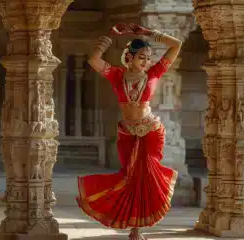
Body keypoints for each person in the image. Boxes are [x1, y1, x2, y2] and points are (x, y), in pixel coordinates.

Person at [76, 23, 182, 240]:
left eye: (149, 57)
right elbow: (94, 60)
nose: (147, 61)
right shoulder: (116, 75)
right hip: (127, 132)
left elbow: (177, 45)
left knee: (144, 177)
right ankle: (132, 224)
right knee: (128, 177)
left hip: (151, 131)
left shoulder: (155, 72)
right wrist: (109, 35)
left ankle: (137, 230)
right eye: (142, 57)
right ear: (130, 57)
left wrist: (149, 33)